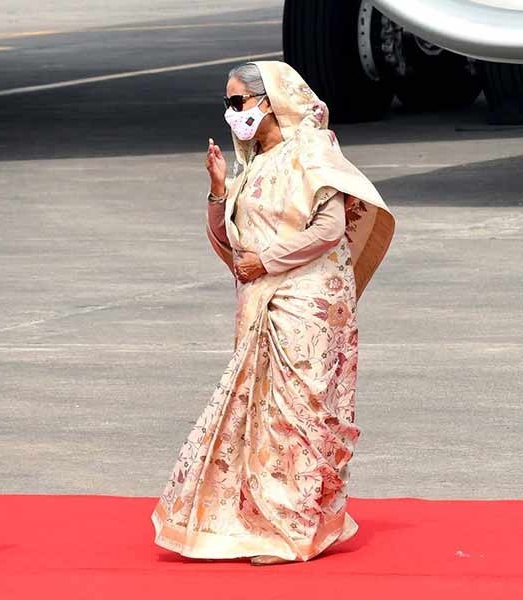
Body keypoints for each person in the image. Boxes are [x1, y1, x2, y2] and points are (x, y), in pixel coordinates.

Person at [152, 61, 394, 565]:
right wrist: (219, 190)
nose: (231, 112)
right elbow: (230, 247)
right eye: (227, 104)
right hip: (260, 301)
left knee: (301, 416)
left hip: (308, 305)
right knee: (258, 417)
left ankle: (295, 527)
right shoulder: (251, 165)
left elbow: (328, 230)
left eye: (238, 102)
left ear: (271, 101)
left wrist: (266, 261)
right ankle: (257, 522)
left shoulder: (312, 151)